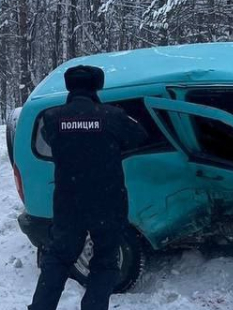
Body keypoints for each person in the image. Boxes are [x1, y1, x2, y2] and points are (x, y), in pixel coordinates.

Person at [28, 65, 148, 310]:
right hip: (107, 201)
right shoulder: (113, 116)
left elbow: (52, 141)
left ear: (69, 86)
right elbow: (139, 135)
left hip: (68, 201)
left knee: (59, 257)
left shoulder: (52, 118)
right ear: (97, 86)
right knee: (104, 261)